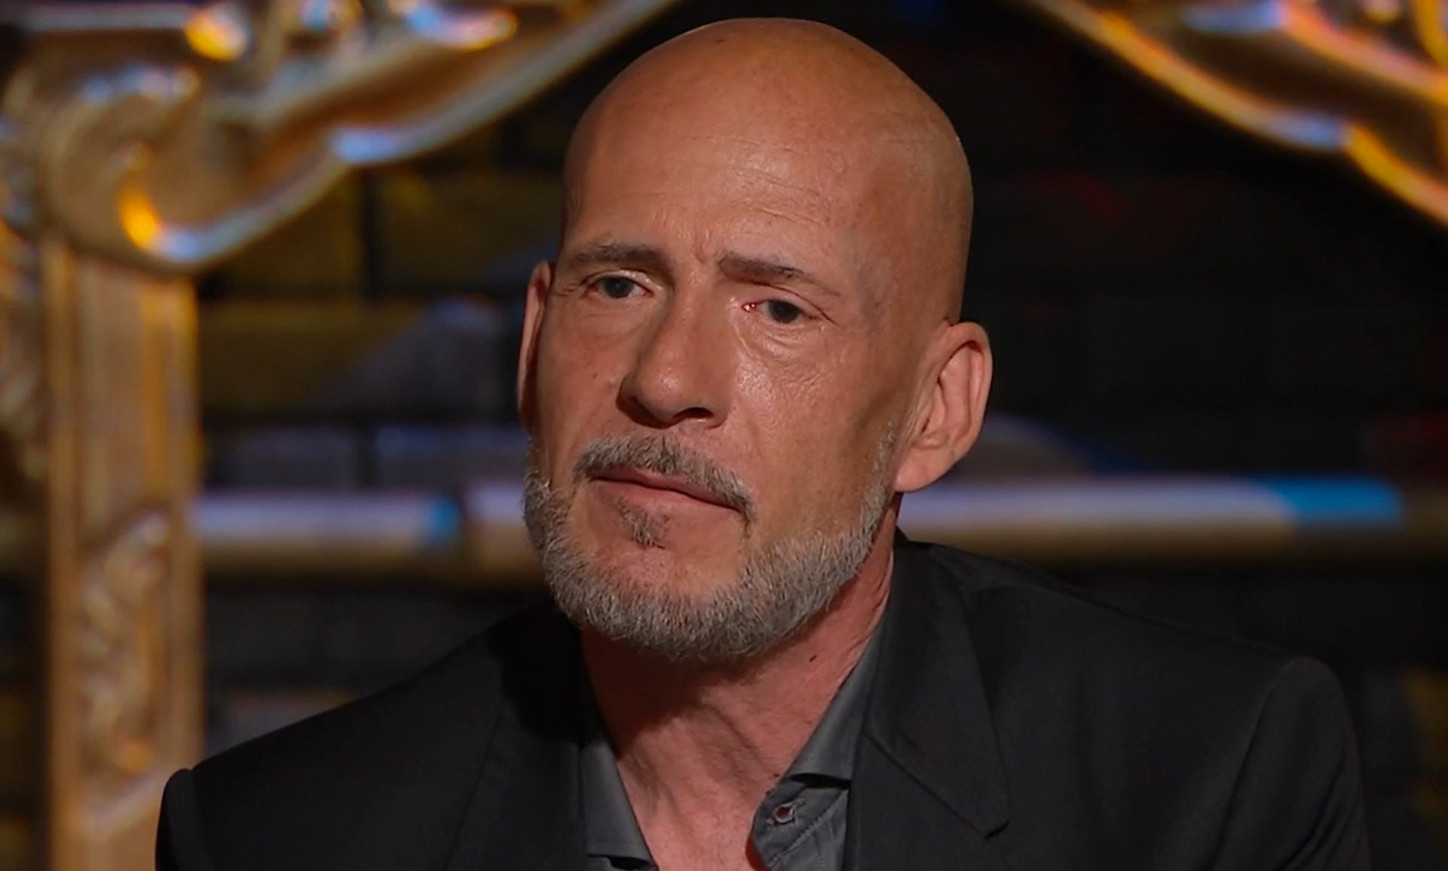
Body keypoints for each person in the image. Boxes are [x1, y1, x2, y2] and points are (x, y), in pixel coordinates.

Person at [155, 17, 1370, 871]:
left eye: (776, 309)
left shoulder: (1205, 784)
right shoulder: (278, 838)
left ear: (935, 410)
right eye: (618, 285)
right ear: (532, 345)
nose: (665, 381)